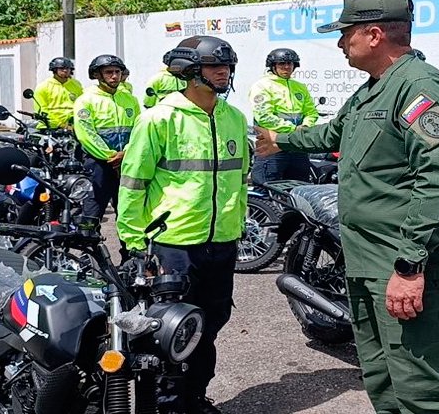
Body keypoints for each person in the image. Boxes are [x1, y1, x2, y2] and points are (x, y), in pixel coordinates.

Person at [254, 0, 439, 414]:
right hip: (367, 262)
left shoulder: (422, 90)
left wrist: (410, 266)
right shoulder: (373, 91)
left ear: (373, 35)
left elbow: (438, 181)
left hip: (404, 264)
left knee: (424, 389)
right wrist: (280, 140)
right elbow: (333, 134)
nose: (340, 44)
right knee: (383, 378)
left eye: (345, 35)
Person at [117, 36, 248, 414]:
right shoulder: (159, 118)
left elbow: (239, 180)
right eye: (213, 66)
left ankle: (195, 397)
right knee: (169, 330)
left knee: (209, 326)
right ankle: (167, 403)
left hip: (222, 242)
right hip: (172, 244)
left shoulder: (233, 118)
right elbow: (133, 182)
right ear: (189, 71)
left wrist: (235, 227)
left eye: (227, 66)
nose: (223, 72)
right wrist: (134, 241)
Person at [75, 54, 140, 221]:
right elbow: (86, 134)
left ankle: (129, 247)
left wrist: (125, 153)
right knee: (94, 206)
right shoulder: (86, 100)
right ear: (97, 75)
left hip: (126, 160)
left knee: (129, 208)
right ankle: (88, 245)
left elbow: (139, 129)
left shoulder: (130, 99)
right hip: (99, 162)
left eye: (118, 72)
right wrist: (110, 156)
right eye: (109, 72)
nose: (114, 76)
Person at [248, 48, 319, 183]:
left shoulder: (300, 87)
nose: (286, 67)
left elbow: (311, 112)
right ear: (273, 66)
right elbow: (264, 116)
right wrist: (293, 129)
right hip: (272, 147)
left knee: (299, 190)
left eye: (290, 64)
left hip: (297, 146)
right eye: (282, 64)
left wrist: (306, 126)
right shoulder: (262, 86)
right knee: (266, 192)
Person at [33, 57, 83, 129]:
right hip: (49, 127)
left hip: (73, 127)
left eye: (68, 68)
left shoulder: (77, 85)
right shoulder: (43, 87)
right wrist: (60, 124)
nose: (65, 70)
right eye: (61, 68)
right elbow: (41, 110)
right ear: (54, 70)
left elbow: (82, 105)